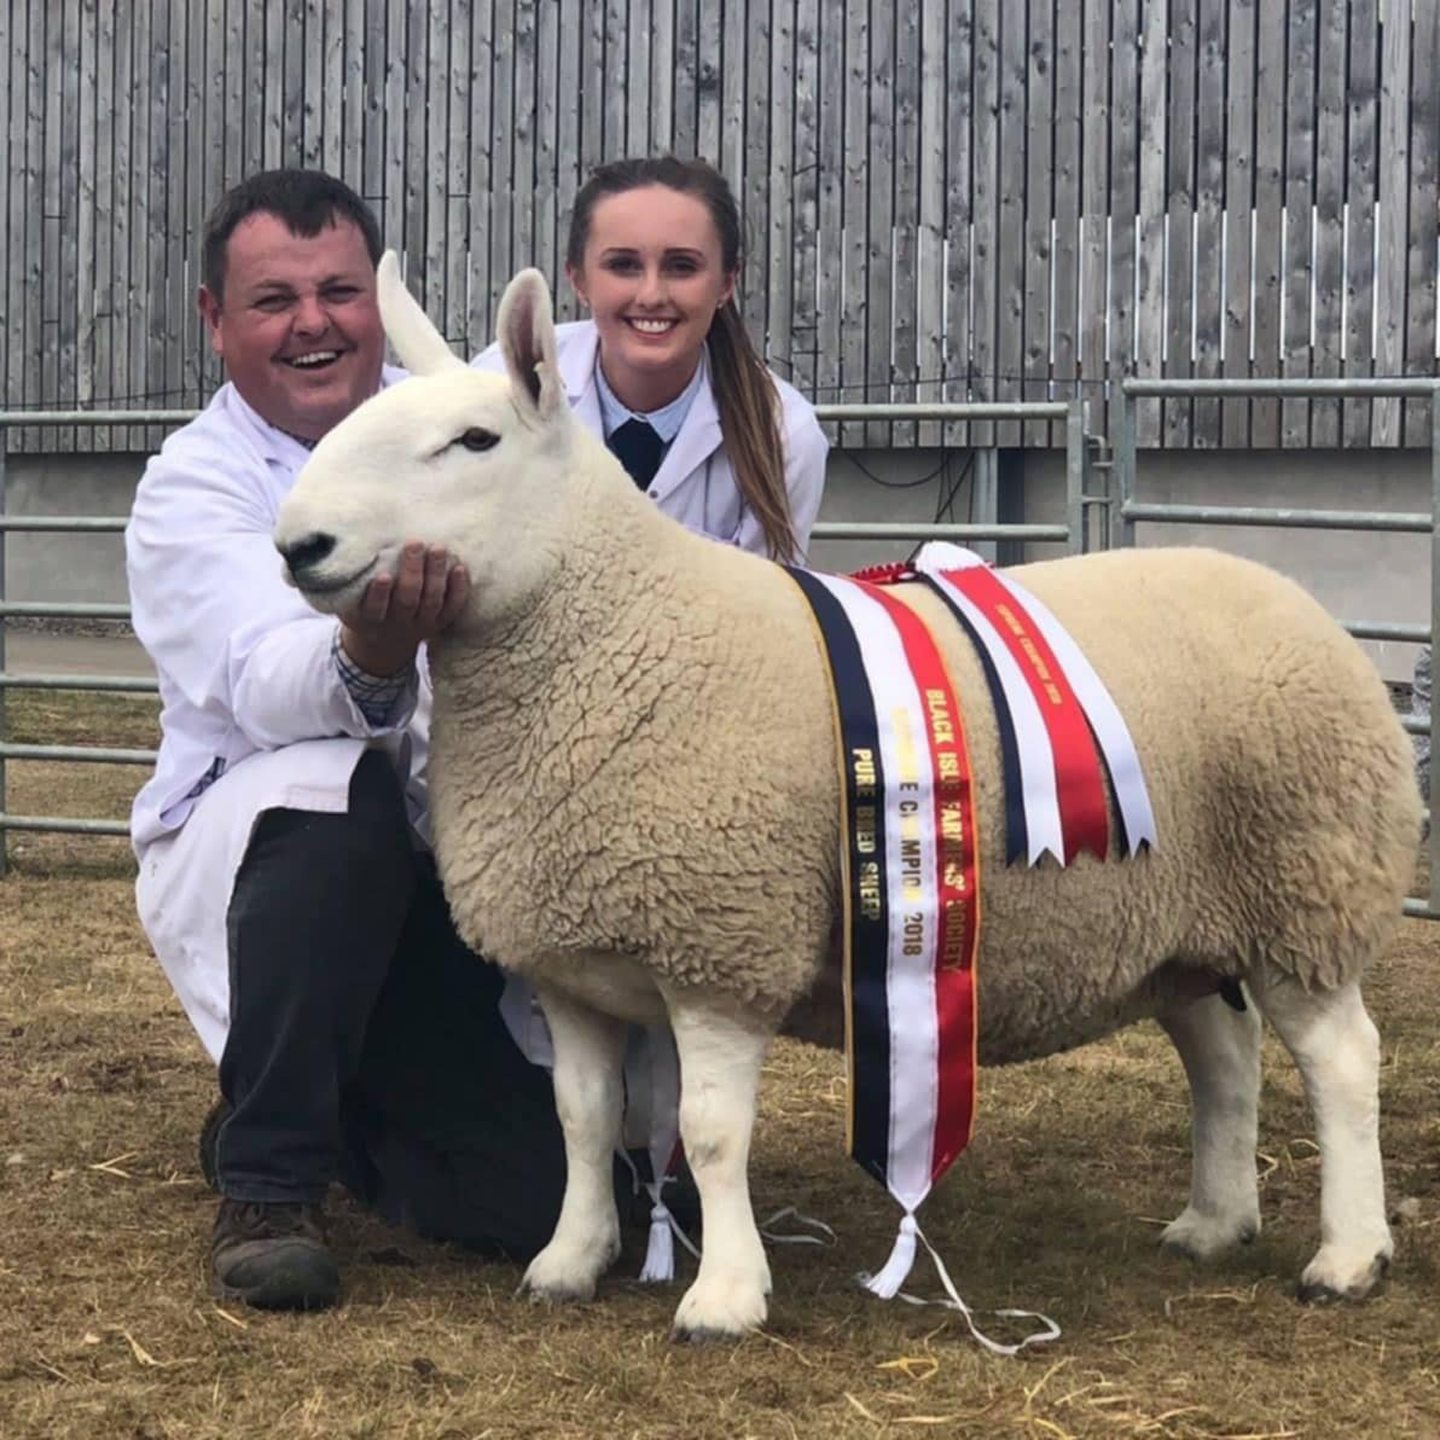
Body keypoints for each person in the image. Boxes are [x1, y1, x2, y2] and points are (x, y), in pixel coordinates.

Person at [126, 169, 590, 1314]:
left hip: (458, 862)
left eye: (339, 289)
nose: (314, 323)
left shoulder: (464, 419)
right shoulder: (196, 485)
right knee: (336, 794)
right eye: (273, 299)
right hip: (282, 854)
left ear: (378, 306)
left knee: (529, 1205)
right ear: (213, 319)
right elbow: (253, 678)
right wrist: (371, 654)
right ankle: (268, 1182)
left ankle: (325, 1107)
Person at [474, 155, 828, 562]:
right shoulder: (500, 387)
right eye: (623, 265)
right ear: (579, 280)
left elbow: (762, 615)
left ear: (727, 284)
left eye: (682, 267)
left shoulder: (784, 438)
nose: (651, 295)